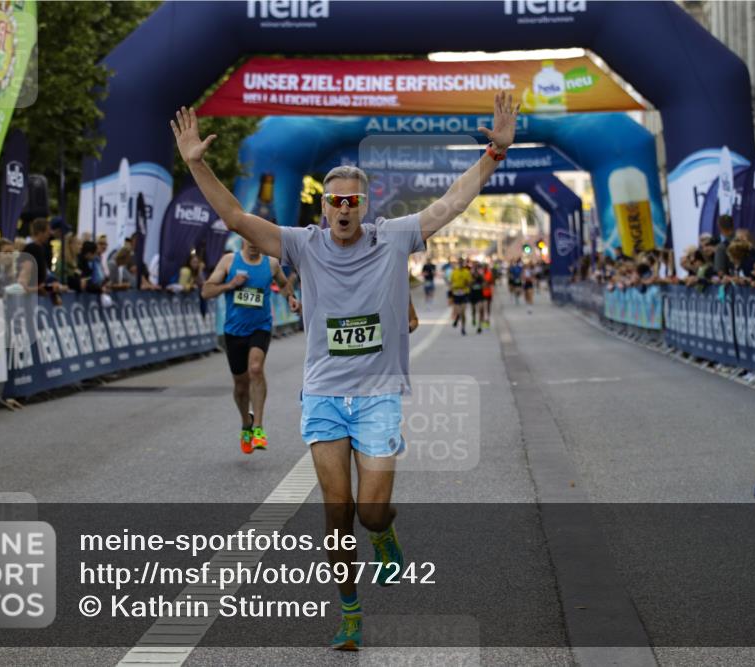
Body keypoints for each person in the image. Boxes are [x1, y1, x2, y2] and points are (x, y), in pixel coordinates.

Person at [172, 92, 518, 650]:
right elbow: (236, 217)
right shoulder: (302, 246)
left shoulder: (393, 237)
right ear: (324, 206)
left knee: (372, 512)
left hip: (378, 395)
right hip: (325, 396)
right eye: (335, 201)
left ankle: (384, 535)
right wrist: (196, 163)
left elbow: (451, 203)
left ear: (364, 204)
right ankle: (351, 613)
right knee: (338, 513)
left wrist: (494, 154)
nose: (343, 209)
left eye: (353, 201)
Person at [202, 239, 299, 454]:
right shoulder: (229, 261)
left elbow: (283, 284)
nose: (254, 244)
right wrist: (230, 284)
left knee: (255, 369)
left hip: (260, 327)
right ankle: (246, 423)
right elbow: (206, 291)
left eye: (257, 239)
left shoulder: (271, 264)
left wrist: (290, 298)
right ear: (242, 239)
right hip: (234, 331)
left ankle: (258, 428)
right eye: (249, 240)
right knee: (240, 385)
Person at [449, 258, 472, 335]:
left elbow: (470, 283)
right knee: (458, 311)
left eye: (462, 263)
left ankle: (463, 328)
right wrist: (452, 290)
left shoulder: (467, 272)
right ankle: (457, 317)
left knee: (463, 312)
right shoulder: (454, 272)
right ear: (458, 264)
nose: (461, 264)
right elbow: (451, 282)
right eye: (459, 263)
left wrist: (466, 283)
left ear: (464, 263)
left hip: (464, 293)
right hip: (456, 294)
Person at [468, 262, 485, 333]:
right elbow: (468, 285)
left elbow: (484, 284)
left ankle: (479, 326)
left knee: (480, 310)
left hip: (479, 295)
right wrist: (471, 282)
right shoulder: (470, 276)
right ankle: (473, 318)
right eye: (474, 268)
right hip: (473, 295)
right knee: (473, 310)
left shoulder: (480, 276)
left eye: (476, 268)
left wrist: (482, 284)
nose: (475, 270)